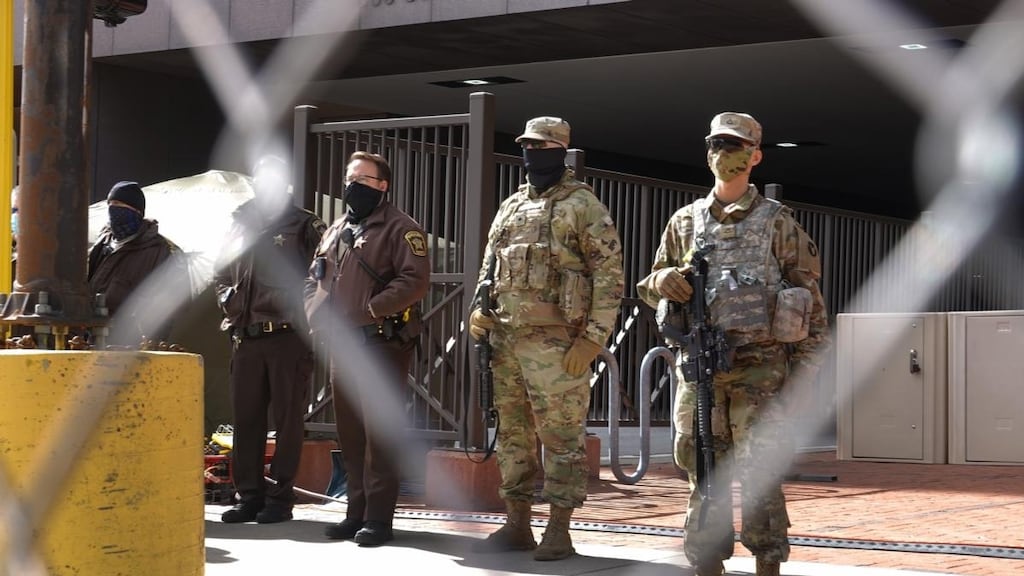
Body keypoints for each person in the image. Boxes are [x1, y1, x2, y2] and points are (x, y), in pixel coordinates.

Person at [636, 112, 830, 576]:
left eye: (735, 146)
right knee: (699, 463)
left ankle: (767, 561)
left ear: (755, 156)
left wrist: (807, 376)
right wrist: (662, 280)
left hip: (760, 367)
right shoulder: (685, 222)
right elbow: (649, 285)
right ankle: (706, 559)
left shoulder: (778, 224)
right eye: (717, 145)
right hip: (701, 366)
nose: (724, 154)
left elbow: (812, 304)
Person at [468, 117, 624, 561]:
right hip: (506, 342)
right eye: (526, 146)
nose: (531, 154)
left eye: (540, 146)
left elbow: (609, 278)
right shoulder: (512, 204)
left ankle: (559, 528)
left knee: (560, 437)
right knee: (513, 434)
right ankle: (517, 523)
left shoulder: (583, 205)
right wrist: (479, 310)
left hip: (559, 346)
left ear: (559, 149)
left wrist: (592, 340)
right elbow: (489, 265)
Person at [304, 151, 430, 546]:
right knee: (351, 434)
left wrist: (371, 309)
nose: (352, 184)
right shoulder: (336, 228)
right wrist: (314, 311)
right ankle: (353, 512)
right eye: (349, 177)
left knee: (380, 436)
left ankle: (378, 520)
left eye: (362, 178)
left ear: (382, 185)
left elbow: (414, 281)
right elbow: (315, 276)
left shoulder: (400, 228)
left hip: (381, 344)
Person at [214, 156, 326, 524]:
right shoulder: (239, 220)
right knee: (246, 420)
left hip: (286, 337)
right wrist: (227, 300)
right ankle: (248, 496)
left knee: (288, 420)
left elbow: (322, 276)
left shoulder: (304, 224)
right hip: (244, 336)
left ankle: (279, 498)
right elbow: (221, 272)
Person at [87, 180, 186, 345]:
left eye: (119, 204)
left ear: (137, 211)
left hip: (128, 342)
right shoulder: (103, 241)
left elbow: (164, 306)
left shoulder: (159, 251)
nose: (113, 209)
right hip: (91, 336)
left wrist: (152, 341)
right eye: (110, 204)